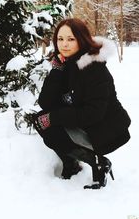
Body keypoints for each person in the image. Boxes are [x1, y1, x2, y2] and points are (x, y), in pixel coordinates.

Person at [31, 18, 131, 189]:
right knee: (41, 121)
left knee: (51, 124)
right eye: (60, 39)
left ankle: (99, 162)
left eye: (71, 39)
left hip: (105, 129)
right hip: (86, 122)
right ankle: (72, 164)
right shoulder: (65, 64)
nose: (64, 44)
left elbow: (93, 113)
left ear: (82, 39)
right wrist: (56, 71)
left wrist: (54, 117)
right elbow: (46, 103)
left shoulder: (94, 68)